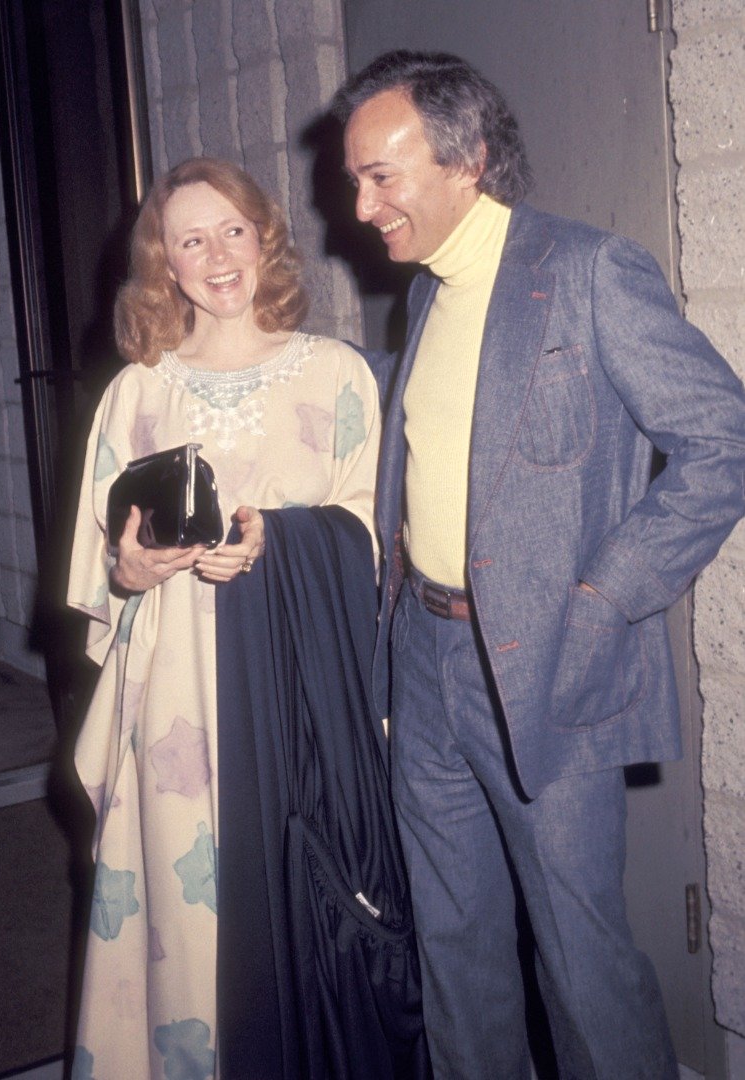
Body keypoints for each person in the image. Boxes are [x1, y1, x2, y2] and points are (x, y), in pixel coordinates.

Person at [333, 50, 745, 1079]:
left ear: (467, 160)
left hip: (548, 670)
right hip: (423, 666)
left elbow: (721, 441)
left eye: (381, 175)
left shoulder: (591, 272)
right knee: (456, 949)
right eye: (355, 178)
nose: (359, 204)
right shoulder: (422, 299)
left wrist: (607, 599)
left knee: (580, 958)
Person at [66, 158, 428, 1079]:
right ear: (165, 266)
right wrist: (133, 565)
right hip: (172, 706)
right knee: (185, 924)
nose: (217, 254)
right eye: (190, 239)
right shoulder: (136, 393)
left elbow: (381, 537)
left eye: (232, 229)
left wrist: (282, 541)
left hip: (298, 697)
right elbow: (100, 573)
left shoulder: (339, 375)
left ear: (265, 236)